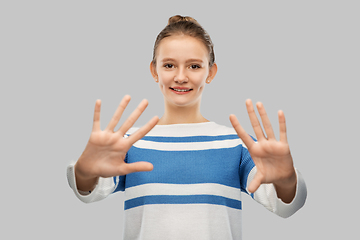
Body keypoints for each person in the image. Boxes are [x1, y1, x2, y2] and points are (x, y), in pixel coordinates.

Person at [67, 15, 307, 240]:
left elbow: (285, 206)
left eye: (194, 66)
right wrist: (85, 172)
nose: (181, 77)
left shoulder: (236, 144)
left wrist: (286, 179)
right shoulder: (128, 143)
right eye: (169, 65)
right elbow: (89, 191)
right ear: (154, 71)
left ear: (210, 72)